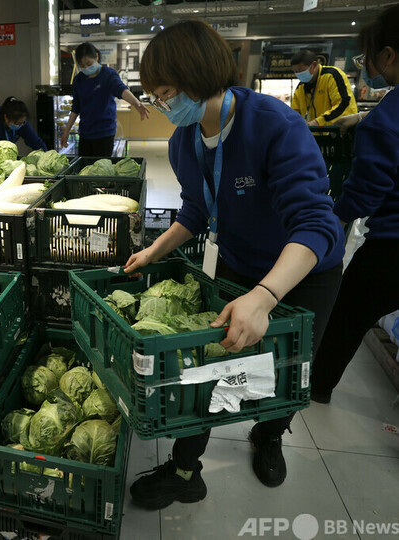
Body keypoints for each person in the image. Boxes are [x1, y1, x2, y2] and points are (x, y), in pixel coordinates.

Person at [124, 20, 344, 510]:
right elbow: (195, 212)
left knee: (284, 371)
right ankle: (185, 470)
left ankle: (269, 436)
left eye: (166, 93)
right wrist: (154, 251)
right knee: (208, 369)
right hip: (238, 265)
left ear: (200, 78)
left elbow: (316, 224)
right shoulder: (184, 139)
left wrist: (265, 297)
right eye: (155, 96)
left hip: (303, 272)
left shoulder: (273, 124)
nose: (162, 105)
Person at [311, 4, 399, 403]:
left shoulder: (388, 119)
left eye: (369, 57)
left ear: (389, 55)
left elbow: (366, 192)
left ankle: (318, 386)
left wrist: (331, 217)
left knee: (346, 316)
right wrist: (362, 121)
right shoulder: (382, 116)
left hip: (391, 249)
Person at [60, 42, 150, 157]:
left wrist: (136, 103)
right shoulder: (79, 80)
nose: (86, 68)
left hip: (104, 133)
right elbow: (76, 108)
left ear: (96, 57)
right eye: (82, 66)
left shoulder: (108, 74)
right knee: (84, 169)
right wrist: (66, 131)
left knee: (101, 171)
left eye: (89, 63)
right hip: (85, 133)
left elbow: (120, 89)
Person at [290, 49, 358, 126]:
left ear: (314, 65)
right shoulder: (301, 87)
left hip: (338, 132)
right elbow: (294, 112)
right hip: (314, 135)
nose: (298, 74)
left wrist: (318, 122)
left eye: (301, 70)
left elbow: (343, 104)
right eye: (295, 71)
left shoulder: (332, 76)